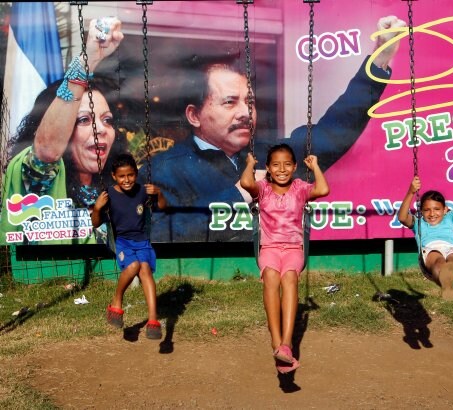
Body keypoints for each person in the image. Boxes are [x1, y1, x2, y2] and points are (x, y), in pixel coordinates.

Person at [145, 16, 406, 242]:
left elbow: (333, 133)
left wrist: (379, 62)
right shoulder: (164, 169)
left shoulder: (270, 156)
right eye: (230, 102)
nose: (246, 113)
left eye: (250, 102)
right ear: (194, 115)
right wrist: (239, 195)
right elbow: (161, 231)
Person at [0, 17, 126, 245]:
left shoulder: (113, 191)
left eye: (107, 120)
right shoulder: (38, 177)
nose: (102, 130)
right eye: (84, 120)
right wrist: (89, 60)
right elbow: (47, 151)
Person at [240, 143, 330, 373]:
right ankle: (275, 341)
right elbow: (246, 183)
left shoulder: (300, 188)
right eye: (276, 165)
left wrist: (316, 166)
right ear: (268, 168)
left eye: (287, 164)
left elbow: (322, 190)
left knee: (289, 278)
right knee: (271, 277)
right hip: (269, 247)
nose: (282, 169)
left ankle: (287, 345)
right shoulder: (263, 188)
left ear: (295, 166)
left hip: (293, 249)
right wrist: (250, 164)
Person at [91, 153, 167, 339]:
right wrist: (97, 208)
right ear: (114, 176)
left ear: (136, 173)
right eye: (122, 176)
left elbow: (163, 207)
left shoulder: (142, 191)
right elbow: (95, 223)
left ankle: (152, 320)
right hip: (123, 242)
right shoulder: (109, 195)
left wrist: (159, 194)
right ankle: (117, 301)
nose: (127, 180)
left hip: (142, 241)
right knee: (133, 266)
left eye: (131, 175)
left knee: (145, 270)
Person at [397, 166, 453, 301]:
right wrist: (411, 192)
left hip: (451, 248)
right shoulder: (418, 222)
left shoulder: (450, 217)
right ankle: (446, 281)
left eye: (437, 209)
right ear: (420, 211)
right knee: (438, 261)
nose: (432, 214)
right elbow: (402, 217)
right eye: (427, 210)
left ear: (445, 209)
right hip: (430, 249)